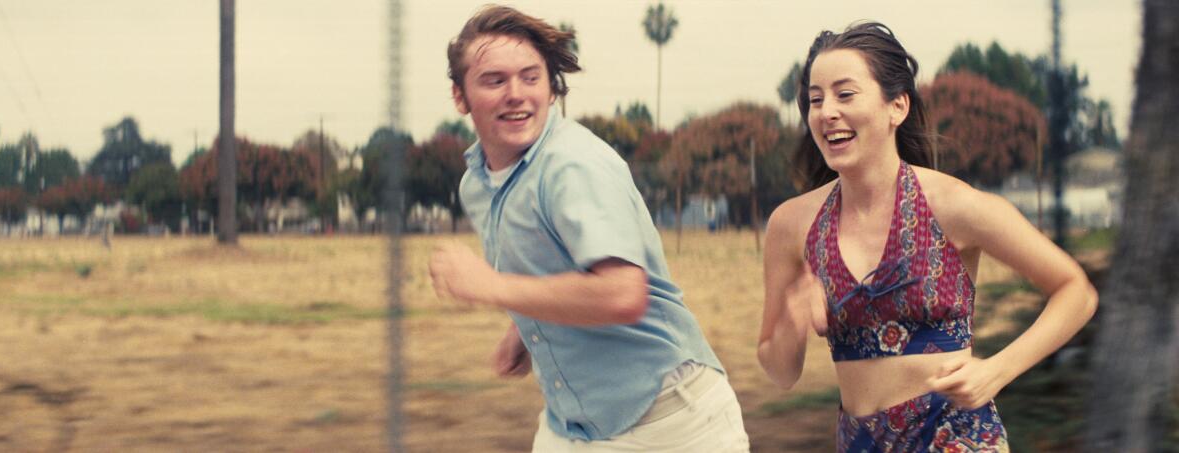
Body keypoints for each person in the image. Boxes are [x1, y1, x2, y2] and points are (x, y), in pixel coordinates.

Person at [756, 22, 1098, 452]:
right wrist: (792, 319)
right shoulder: (791, 225)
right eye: (815, 99)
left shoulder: (955, 206)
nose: (827, 112)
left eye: (845, 95)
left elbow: (1076, 292)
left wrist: (997, 371)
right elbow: (780, 372)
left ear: (896, 106)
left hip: (955, 438)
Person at [428, 5, 749, 452]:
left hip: (670, 422)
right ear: (460, 96)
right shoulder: (478, 185)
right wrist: (524, 330)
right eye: (494, 80)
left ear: (551, 88)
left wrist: (492, 286)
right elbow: (553, 267)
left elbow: (621, 293)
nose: (516, 94)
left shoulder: (572, 165)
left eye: (531, 77)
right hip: (573, 425)